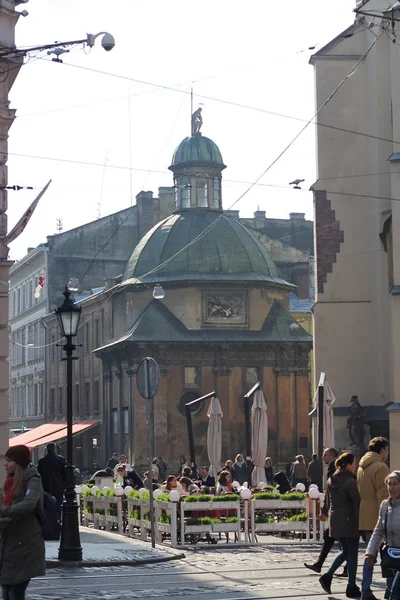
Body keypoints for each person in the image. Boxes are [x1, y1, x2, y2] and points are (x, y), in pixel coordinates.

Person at [0, 445, 45, 600]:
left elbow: (29, 504)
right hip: (9, 543)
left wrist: (4, 510)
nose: (6, 464)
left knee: (15, 592)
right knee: (6, 590)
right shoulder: (9, 482)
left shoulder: (32, 480)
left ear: (19, 463)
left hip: (25, 543)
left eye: (9, 461)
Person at [318, 452, 361, 599]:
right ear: (348, 464)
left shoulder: (331, 480)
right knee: (352, 553)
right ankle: (351, 586)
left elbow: (328, 500)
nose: (354, 466)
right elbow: (357, 502)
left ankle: (328, 576)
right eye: (353, 464)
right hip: (349, 519)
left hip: (335, 519)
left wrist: (325, 512)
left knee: (345, 551)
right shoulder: (351, 482)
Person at [305, 447, 348, 576]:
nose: (323, 457)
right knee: (331, 537)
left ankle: (346, 568)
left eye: (325, 455)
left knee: (342, 542)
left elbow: (331, 492)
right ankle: (320, 564)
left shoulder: (334, 467)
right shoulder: (338, 466)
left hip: (338, 510)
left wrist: (324, 510)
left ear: (333, 455)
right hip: (339, 510)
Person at [358, 436, 390, 600]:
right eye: (387, 449)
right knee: (390, 554)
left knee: (370, 554)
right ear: (382, 449)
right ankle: (391, 588)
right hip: (378, 515)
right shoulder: (381, 467)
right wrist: (386, 515)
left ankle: (365, 589)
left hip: (364, 514)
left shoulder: (361, 466)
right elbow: (384, 495)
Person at [365, 471, 400, 600]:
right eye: (389, 484)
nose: (391, 487)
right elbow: (379, 530)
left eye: (395, 484)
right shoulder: (385, 505)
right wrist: (370, 552)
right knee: (392, 592)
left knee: (395, 594)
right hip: (392, 559)